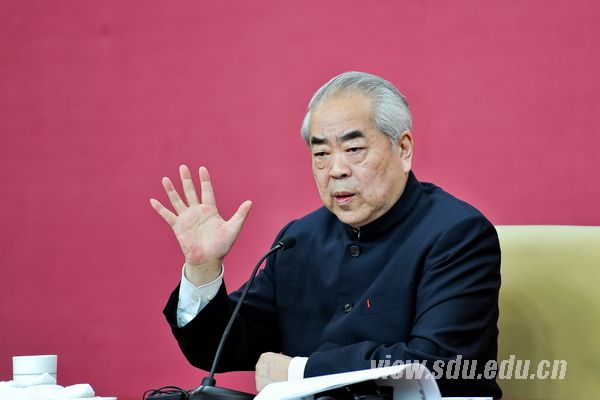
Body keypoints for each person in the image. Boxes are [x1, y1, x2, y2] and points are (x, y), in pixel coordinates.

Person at [150, 71, 502, 398]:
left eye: (353, 150)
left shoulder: (457, 234)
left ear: (403, 148)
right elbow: (218, 348)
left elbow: (440, 366)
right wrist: (203, 270)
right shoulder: (299, 240)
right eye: (321, 153)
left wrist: (301, 371)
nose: (336, 169)